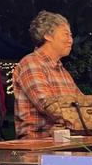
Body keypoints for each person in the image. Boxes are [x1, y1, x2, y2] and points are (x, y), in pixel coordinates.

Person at [13, 10, 82, 139]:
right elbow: (48, 105)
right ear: (48, 36)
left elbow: (82, 102)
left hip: (63, 142)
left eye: (71, 35)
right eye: (66, 34)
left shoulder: (62, 71)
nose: (70, 40)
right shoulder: (31, 63)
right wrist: (90, 116)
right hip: (38, 147)